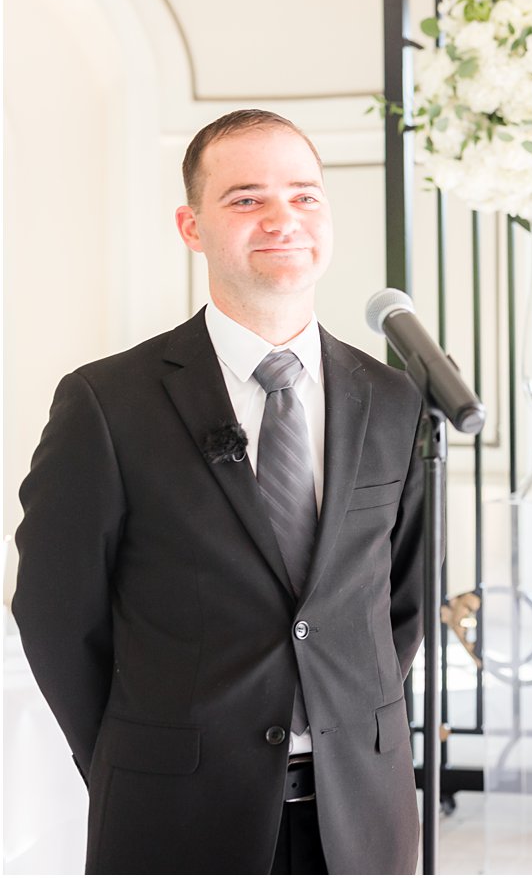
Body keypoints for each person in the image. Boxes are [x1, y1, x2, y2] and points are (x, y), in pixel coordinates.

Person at [11, 110, 426, 874]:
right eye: (245, 199)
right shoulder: (107, 401)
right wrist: (128, 754)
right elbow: (55, 611)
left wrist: (342, 715)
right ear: (191, 224)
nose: (282, 219)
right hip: (175, 812)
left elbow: (399, 598)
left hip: (362, 814)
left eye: (304, 196)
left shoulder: (394, 398)